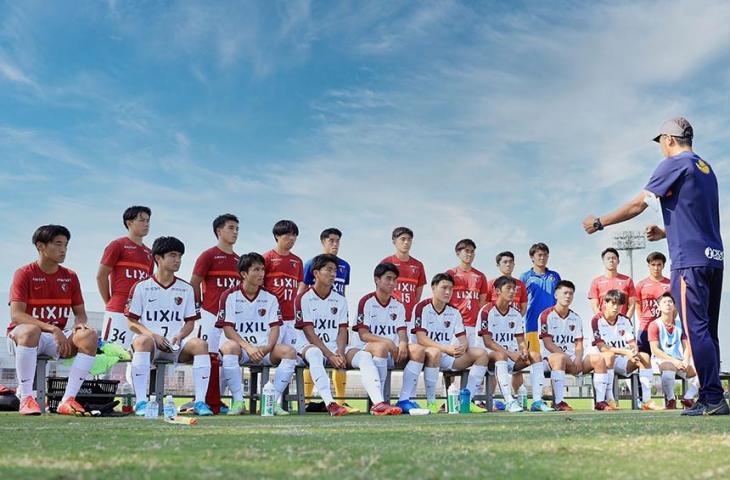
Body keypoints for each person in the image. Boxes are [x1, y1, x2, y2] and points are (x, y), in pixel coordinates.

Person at [583, 117, 727, 415]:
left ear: (670, 139)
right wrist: (666, 232)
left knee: (695, 331)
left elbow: (639, 204)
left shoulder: (673, 164)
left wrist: (600, 222)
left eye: (661, 141)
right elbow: (696, 215)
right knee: (707, 332)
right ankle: (714, 395)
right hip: (713, 257)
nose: (661, 147)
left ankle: (712, 398)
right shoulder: (705, 168)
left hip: (689, 263)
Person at [8, 225, 97, 415]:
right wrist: (53, 329)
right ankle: (26, 398)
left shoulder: (70, 276)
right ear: (41, 246)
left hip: (55, 338)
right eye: (58, 244)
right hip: (22, 337)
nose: (63, 249)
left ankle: (68, 400)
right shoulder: (24, 273)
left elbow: (80, 313)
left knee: (89, 335)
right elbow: (17, 315)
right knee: (31, 330)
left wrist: (78, 325)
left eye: (66, 245)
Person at [295, 254, 401, 416]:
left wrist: (341, 351)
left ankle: (378, 403)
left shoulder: (340, 299)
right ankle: (330, 403)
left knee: (365, 357)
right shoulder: (303, 298)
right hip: (309, 347)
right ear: (315, 273)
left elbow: (342, 330)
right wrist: (330, 355)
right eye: (329, 270)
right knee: (315, 353)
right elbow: (309, 333)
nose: (333, 274)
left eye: (335, 271)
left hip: (334, 348)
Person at [125, 236, 213, 416]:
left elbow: (190, 322)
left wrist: (180, 335)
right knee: (142, 341)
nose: (177, 260)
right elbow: (131, 322)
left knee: (201, 345)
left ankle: (200, 402)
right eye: (172, 255)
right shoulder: (142, 287)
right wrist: (152, 335)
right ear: (158, 258)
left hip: (175, 344)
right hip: (150, 344)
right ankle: (141, 402)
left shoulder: (186, 288)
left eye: (180, 256)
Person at [216, 252, 295, 416]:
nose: (261, 274)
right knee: (229, 347)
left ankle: (272, 402)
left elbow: (275, 328)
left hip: (263, 349)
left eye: (262, 270)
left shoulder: (271, 297)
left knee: (289, 352)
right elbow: (228, 328)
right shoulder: (229, 296)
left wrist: (267, 347)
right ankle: (238, 402)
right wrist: (247, 347)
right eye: (256, 270)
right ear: (244, 274)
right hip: (242, 348)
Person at [354, 263, 427, 414]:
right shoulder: (366, 302)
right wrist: (387, 342)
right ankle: (379, 402)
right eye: (388, 278)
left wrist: (403, 343)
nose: (392, 283)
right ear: (377, 280)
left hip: (392, 351)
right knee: (381, 347)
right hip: (368, 349)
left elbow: (402, 331)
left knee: (419, 350)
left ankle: (403, 400)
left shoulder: (398, 305)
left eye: (394, 279)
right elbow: (363, 335)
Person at [413, 273, 490, 414]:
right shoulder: (422, 307)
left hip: (446, 355)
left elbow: (462, 338)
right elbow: (421, 339)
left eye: (451, 289)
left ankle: (467, 401)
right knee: (434, 352)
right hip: (424, 356)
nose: (448, 292)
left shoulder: (454, 312)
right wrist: (445, 348)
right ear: (433, 287)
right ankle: (431, 403)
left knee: (481, 354)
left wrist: (463, 347)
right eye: (444, 288)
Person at [479, 276, 553, 413]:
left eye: (514, 289)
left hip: (512, 358)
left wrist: (524, 351)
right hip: (490, 358)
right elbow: (487, 342)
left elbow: (520, 340)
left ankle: (537, 401)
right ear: (497, 291)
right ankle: (509, 401)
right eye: (508, 288)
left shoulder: (516, 314)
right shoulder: (486, 311)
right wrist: (510, 354)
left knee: (536, 355)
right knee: (500, 355)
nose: (513, 291)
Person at [190, 214, 240, 413]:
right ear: (219, 231)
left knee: (226, 357)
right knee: (207, 357)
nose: (235, 232)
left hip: (230, 319)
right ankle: (204, 401)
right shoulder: (208, 255)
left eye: (237, 228)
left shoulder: (239, 260)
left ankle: (218, 402)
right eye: (231, 228)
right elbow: (194, 284)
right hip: (209, 315)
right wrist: (200, 309)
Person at [299, 228, 351, 412]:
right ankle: (306, 397)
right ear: (323, 242)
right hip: (314, 313)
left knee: (340, 353)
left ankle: (341, 400)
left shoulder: (345, 266)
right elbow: (303, 288)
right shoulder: (310, 264)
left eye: (338, 240)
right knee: (314, 353)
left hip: (335, 312)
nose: (335, 244)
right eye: (331, 240)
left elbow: (342, 291)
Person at [540, 280, 610, 411]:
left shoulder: (576, 318)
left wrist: (578, 358)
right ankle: (558, 402)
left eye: (571, 294)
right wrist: (567, 358)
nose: (568, 296)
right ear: (556, 295)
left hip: (572, 360)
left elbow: (579, 343)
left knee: (599, 359)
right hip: (550, 360)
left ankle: (600, 401)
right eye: (565, 293)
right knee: (559, 358)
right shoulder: (545, 315)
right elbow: (548, 344)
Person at [591, 290, 658, 411]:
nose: (616, 307)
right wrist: (626, 352)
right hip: (603, 363)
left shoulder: (625, 320)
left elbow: (632, 343)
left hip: (622, 361)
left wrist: (633, 351)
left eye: (619, 304)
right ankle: (609, 399)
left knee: (644, 356)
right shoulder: (597, 320)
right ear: (605, 303)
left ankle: (646, 401)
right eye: (613, 303)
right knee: (609, 355)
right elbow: (602, 347)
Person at [97, 206, 153, 348]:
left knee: (137, 354)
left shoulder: (149, 252)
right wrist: (110, 302)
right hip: (117, 309)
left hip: (140, 313)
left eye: (148, 221)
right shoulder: (117, 245)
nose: (146, 224)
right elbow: (101, 276)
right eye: (141, 220)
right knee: (109, 354)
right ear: (129, 223)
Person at [649, 292, 699, 409]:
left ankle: (688, 397)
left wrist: (686, 360)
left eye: (670, 302)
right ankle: (671, 400)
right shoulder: (654, 325)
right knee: (669, 367)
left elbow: (686, 346)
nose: (668, 304)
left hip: (678, 359)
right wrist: (674, 361)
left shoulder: (680, 324)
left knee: (702, 370)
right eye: (664, 302)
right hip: (661, 360)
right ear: (659, 306)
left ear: (674, 306)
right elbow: (655, 350)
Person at [263, 220, 304, 350]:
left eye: (294, 235)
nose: (292, 238)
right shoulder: (267, 258)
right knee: (268, 353)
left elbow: (297, 287)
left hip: (291, 318)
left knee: (292, 355)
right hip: (272, 318)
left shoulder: (297, 261)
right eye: (288, 235)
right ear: (277, 236)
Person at [381, 227, 427, 328]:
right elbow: (380, 288)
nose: (406, 242)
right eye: (403, 239)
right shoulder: (386, 262)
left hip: (410, 317)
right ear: (394, 241)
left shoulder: (418, 265)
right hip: (389, 315)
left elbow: (417, 295)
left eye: (409, 239)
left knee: (409, 344)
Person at [635, 252, 671, 356]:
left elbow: (675, 306)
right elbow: (637, 303)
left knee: (666, 360)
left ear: (663, 265)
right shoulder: (641, 284)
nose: (656, 268)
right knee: (643, 358)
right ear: (648, 266)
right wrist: (642, 318)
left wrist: (670, 320)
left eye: (659, 265)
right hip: (645, 327)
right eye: (653, 265)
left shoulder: (670, 284)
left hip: (664, 328)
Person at [588, 248, 636, 318]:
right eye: (608, 258)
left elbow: (632, 305)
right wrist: (602, 321)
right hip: (603, 323)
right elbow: (595, 306)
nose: (611, 260)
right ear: (603, 261)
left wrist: (626, 321)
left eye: (614, 258)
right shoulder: (596, 282)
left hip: (622, 324)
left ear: (618, 261)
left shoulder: (627, 280)